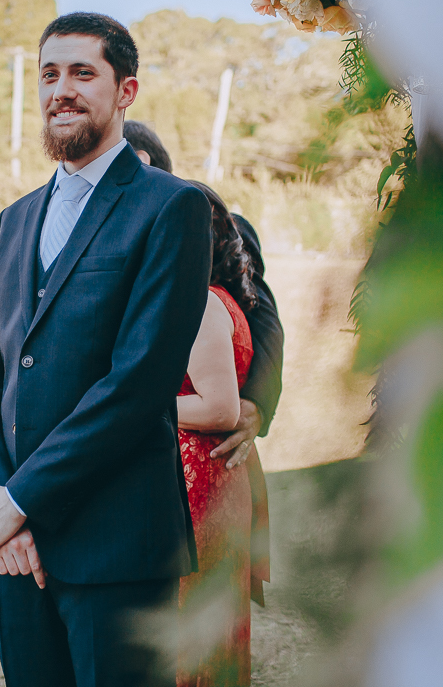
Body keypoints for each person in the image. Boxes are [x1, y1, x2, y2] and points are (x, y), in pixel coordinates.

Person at [0, 12, 213, 687]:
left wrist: (24, 499)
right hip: (15, 550)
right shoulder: (14, 221)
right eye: (49, 74)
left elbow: (139, 382)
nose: (61, 90)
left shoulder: (172, 208)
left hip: (117, 548)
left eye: (82, 73)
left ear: (125, 91)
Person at [123, 120, 285, 464]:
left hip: (204, 452)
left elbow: (265, 322)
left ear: (140, 161)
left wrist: (256, 404)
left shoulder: (215, 226)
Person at [175, 182, 273, 687]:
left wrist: (133, 406)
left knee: (191, 616)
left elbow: (217, 407)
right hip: (212, 477)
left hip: (199, 482)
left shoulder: (204, 304)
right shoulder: (220, 299)